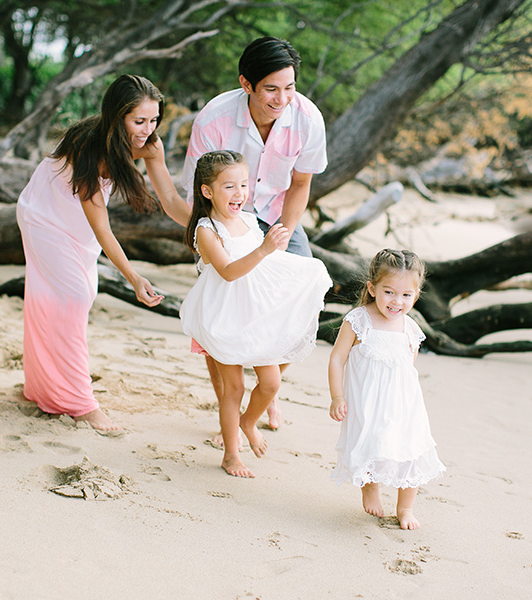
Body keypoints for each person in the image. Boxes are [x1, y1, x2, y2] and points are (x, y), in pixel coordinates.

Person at [16, 74, 190, 434]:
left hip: (75, 226)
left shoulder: (150, 146)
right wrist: (134, 277)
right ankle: (81, 403)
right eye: (138, 121)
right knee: (74, 296)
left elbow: (172, 201)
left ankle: (40, 387)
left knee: (65, 298)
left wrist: (211, 222)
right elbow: (102, 225)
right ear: (116, 117)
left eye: (154, 120)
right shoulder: (88, 147)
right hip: (44, 217)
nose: (147, 129)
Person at [182, 36, 328, 432]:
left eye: (290, 87)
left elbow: (300, 184)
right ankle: (229, 403)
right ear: (247, 84)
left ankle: (268, 391)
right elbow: (198, 190)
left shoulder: (308, 118)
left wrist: (281, 237)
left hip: (279, 213)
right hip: (226, 219)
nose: (282, 99)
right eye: (271, 89)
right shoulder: (214, 119)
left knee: (304, 294)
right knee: (223, 310)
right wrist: (212, 238)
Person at [179, 151, 331, 477]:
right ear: (207, 191)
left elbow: (267, 265)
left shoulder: (248, 220)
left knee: (271, 381)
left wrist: (301, 271)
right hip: (224, 316)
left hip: (256, 311)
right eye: (230, 186)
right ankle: (231, 454)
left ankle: (249, 421)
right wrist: (264, 250)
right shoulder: (207, 230)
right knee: (231, 389)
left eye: (244, 185)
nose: (239, 193)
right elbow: (229, 272)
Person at [328, 249, 445, 529]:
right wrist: (337, 396)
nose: (397, 301)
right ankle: (370, 488)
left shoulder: (411, 329)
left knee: (411, 451)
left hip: (405, 405)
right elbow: (337, 357)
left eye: (406, 295)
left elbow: (407, 369)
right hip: (369, 403)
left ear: (416, 295)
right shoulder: (359, 320)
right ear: (372, 288)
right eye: (389, 292)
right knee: (373, 444)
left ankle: (405, 508)